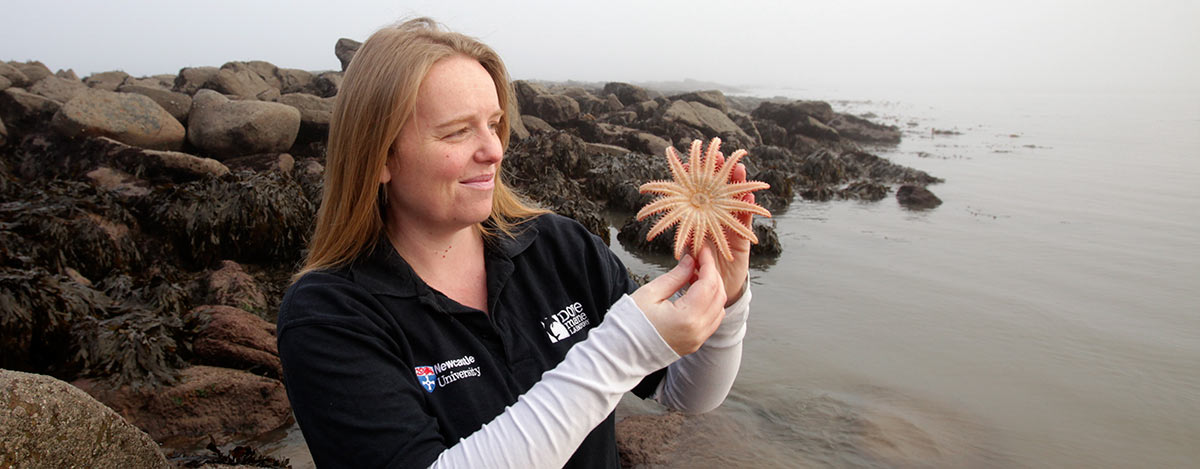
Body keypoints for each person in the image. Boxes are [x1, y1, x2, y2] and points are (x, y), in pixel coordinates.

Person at [277, 17, 758, 468]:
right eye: (457, 131)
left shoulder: (559, 247)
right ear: (379, 157)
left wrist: (727, 298)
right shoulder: (329, 315)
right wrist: (621, 351)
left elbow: (684, 395)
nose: (493, 150)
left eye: (493, 123)